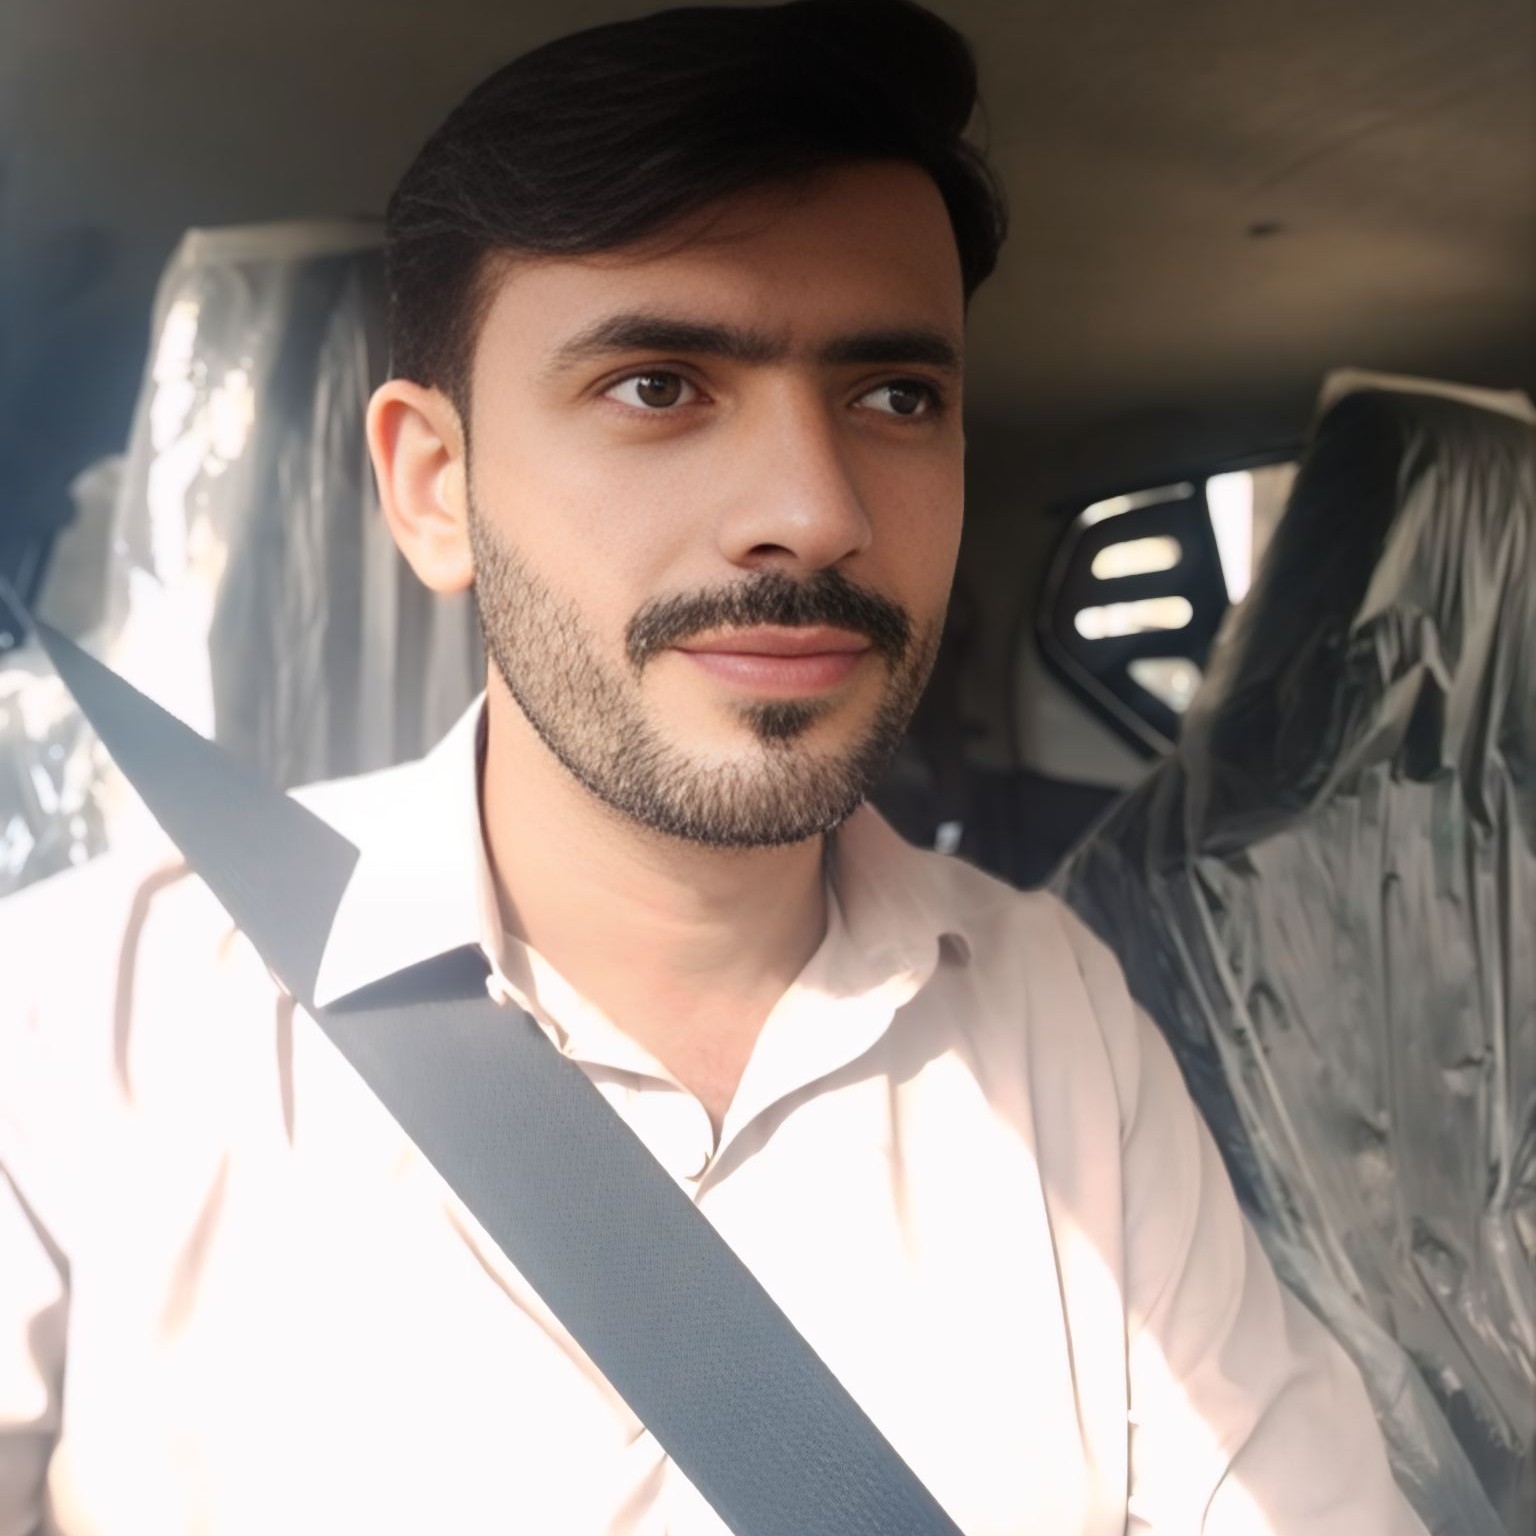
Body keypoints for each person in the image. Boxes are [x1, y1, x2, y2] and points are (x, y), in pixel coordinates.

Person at [0, 2, 1422, 1532]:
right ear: (435, 487)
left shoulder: (1058, 1015)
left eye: (895, 397)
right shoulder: (86, 1019)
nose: (814, 512)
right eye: (659, 386)